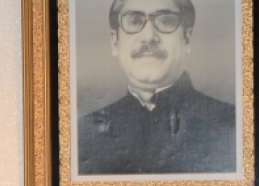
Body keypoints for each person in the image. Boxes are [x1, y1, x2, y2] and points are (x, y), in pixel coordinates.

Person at [77, 0, 236, 175]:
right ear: (115, 42)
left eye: (166, 21)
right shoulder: (83, 135)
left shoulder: (233, 126)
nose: (149, 37)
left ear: (187, 39)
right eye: (135, 21)